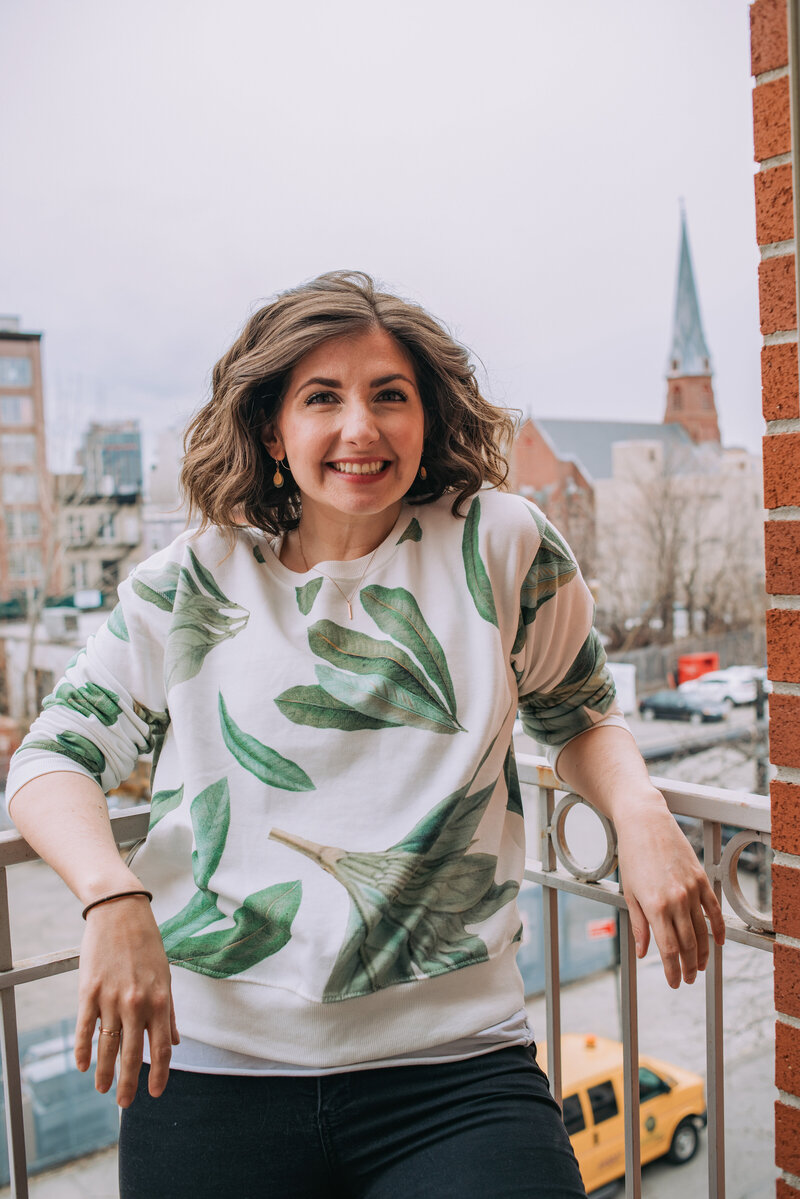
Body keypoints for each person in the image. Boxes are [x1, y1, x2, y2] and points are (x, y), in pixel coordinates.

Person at [8, 271, 725, 1199]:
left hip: (457, 1070)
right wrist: (112, 897)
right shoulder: (188, 583)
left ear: (426, 417)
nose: (361, 427)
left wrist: (642, 814)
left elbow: (579, 713)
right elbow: (53, 755)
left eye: (391, 395)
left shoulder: (501, 546)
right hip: (213, 1069)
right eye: (322, 398)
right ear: (273, 429)